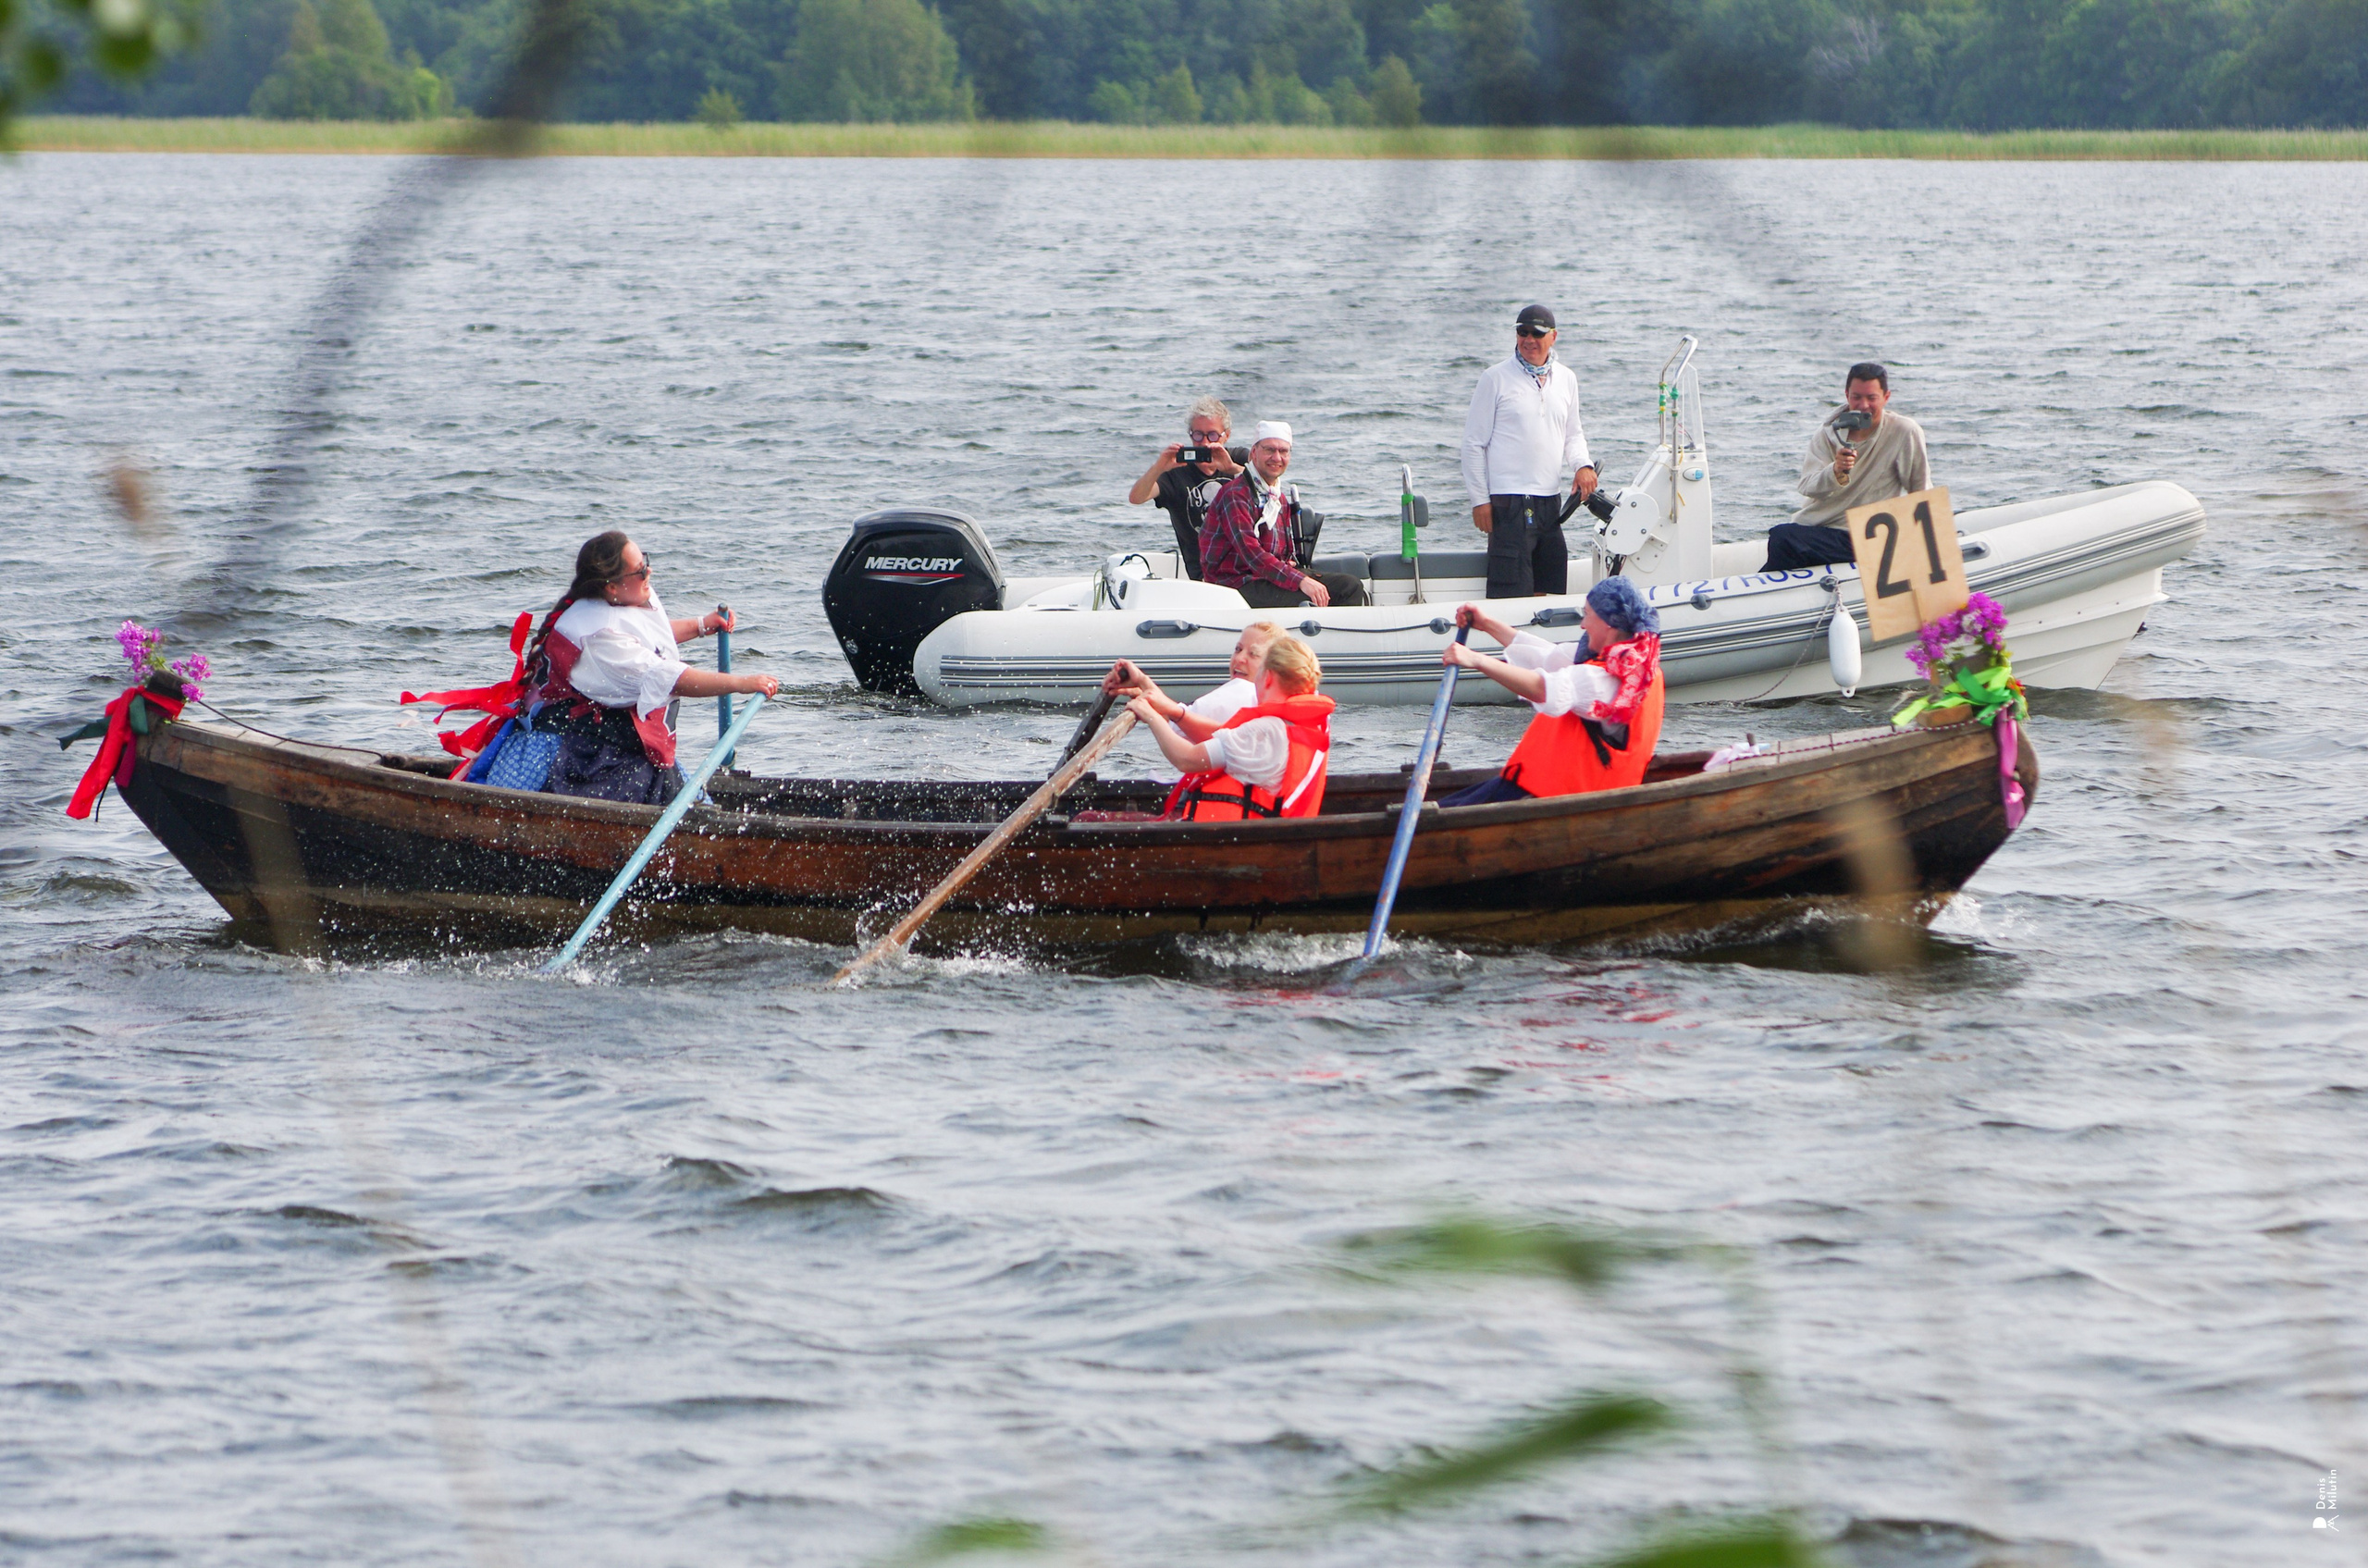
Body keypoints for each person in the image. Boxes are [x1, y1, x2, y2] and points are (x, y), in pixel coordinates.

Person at [521, 530, 779, 806]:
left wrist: (701, 625)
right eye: (640, 570)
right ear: (611, 586)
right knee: (662, 793)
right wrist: (742, 684)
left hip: (611, 730)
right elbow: (671, 679)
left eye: (645, 561)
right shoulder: (601, 640)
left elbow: (649, 638)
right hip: (579, 747)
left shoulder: (626, 595)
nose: (649, 572)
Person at [1437, 576, 1665, 806]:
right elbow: (1547, 656)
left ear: (1608, 623)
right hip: (1531, 787)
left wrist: (1476, 660)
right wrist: (1486, 624)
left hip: (1558, 800)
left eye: (1587, 615)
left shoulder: (1608, 681)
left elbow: (1542, 689)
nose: (1582, 625)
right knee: (1441, 808)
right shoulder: (1622, 658)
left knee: (1438, 817)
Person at [1462, 303, 1597, 600]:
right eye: (1522, 332)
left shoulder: (1567, 379)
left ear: (1553, 337)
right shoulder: (1494, 378)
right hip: (1507, 504)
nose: (1529, 339)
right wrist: (1480, 501)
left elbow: (1573, 434)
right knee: (1511, 593)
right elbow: (1473, 444)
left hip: (1550, 502)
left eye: (1537, 333)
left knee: (1547, 588)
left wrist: (1582, 465)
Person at [1128, 634, 1336, 821]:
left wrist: (1149, 715)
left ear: (1268, 677)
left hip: (1229, 841)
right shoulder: (1301, 725)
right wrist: (1159, 697)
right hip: (1273, 834)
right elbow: (1224, 736)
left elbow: (1187, 759)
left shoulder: (1266, 731)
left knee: (1098, 821)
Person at [1762, 361, 1931, 572]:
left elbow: (1920, 489)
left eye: (1872, 398)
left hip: (1870, 533)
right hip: (1823, 529)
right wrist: (1835, 471)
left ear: (1886, 397)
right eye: (1856, 397)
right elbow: (1807, 486)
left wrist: (1927, 542)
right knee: (1780, 537)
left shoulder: (1904, 431)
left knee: (1783, 538)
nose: (1863, 406)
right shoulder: (1828, 432)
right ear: (1847, 395)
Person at [1198, 422, 1368, 610]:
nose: (1277, 457)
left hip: (1266, 578)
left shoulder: (1278, 498)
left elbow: (1283, 554)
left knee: (1349, 587)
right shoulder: (1235, 495)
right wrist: (1301, 581)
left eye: (1283, 451)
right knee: (1309, 598)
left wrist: (1296, 570)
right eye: (1269, 450)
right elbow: (1252, 555)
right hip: (1236, 583)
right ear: (1254, 453)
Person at [1100, 622, 1284, 740]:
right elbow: (1184, 722)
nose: (1239, 659)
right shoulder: (1269, 704)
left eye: (1253, 654)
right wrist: (1143, 687)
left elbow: (1178, 733)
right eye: (1238, 649)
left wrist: (1148, 706)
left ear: (1273, 668)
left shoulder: (1245, 690)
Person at [1128, 396, 1245, 580]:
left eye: (1212, 435)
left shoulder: (1239, 459)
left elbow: (1269, 487)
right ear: (1190, 434)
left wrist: (1232, 469)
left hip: (1246, 563)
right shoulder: (1176, 472)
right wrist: (1159, 468)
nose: (1205, 443)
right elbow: (1136, 498)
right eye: (1198, 435)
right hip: (1205, 573)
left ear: (1226, 435)